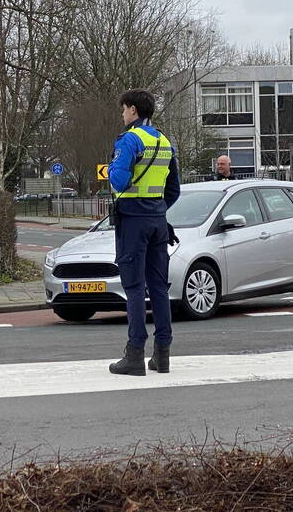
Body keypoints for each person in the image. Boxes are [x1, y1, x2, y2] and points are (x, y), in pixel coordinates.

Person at [107, 89, 181, 376]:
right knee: (159, 287)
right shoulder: (164, 141)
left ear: (134, 111)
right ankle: (162, 355)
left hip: (132, 219)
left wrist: (112, 168)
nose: (122, 115)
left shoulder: (129, 140)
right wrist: (157, 208)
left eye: (124, 110)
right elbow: (173, 189)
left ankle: (134, 354)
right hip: (157, 220)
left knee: (134, 287)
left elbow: (121, 180)